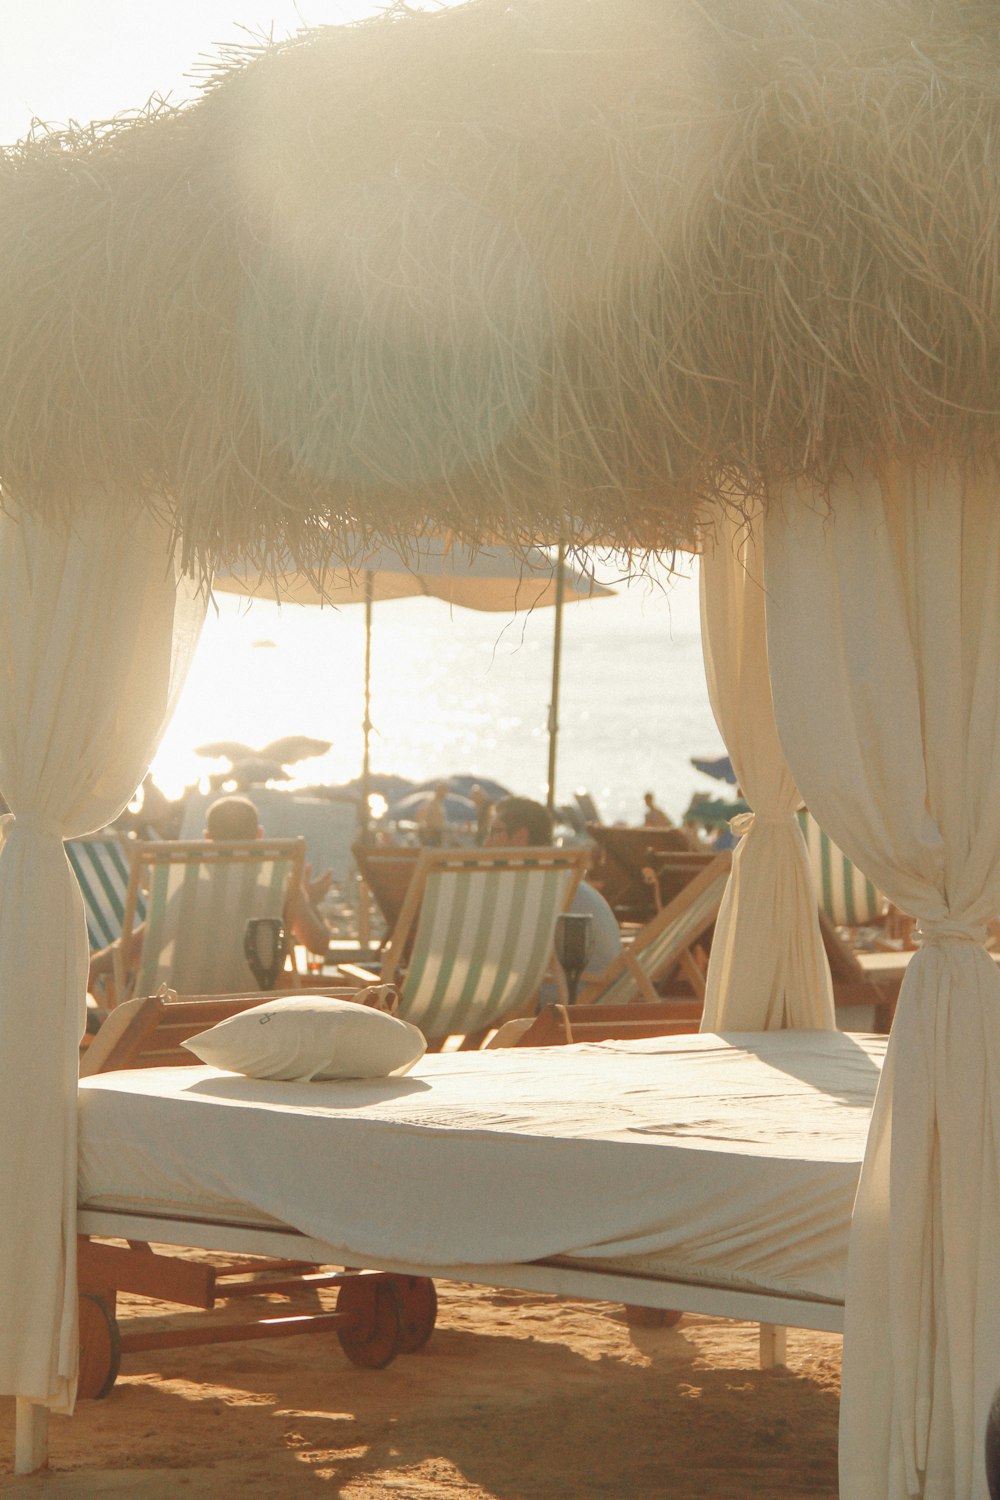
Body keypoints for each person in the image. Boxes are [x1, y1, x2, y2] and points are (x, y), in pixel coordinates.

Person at [88, 794, 334, 996]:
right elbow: (319, 945)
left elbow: (136, 948)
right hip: (251, 1022)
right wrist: (309, 901)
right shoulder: (281, 888)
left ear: (208, 839)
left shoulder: (190, 891)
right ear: (259, 836)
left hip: (180, 1021)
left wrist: (95, 964)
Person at [485, 796, 622, 991]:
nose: (486, 843)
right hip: (599, 992)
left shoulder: (535, 888)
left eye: (493, 832)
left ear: (520, 837)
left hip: (573, 995)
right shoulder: (556, 879)